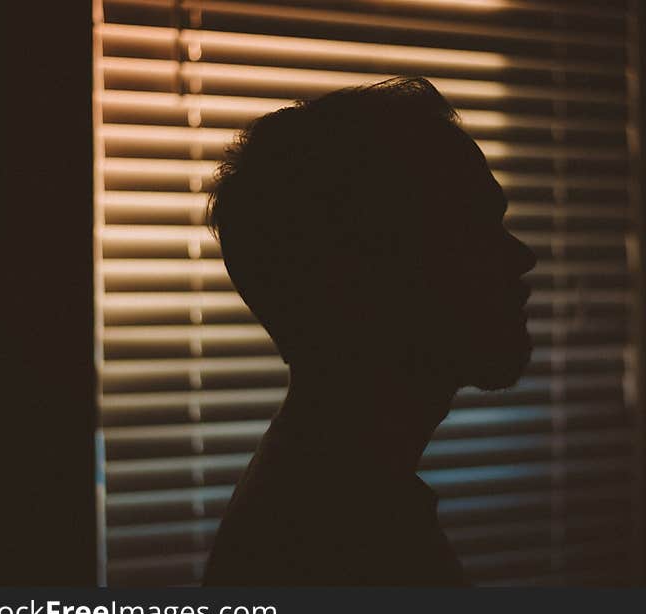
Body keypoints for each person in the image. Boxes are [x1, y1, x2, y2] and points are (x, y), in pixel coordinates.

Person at [203, 77, 536, 586]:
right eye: (475, 229)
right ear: (369, 275)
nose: (521, 256)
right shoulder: (339, 546)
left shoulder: (328, 498)